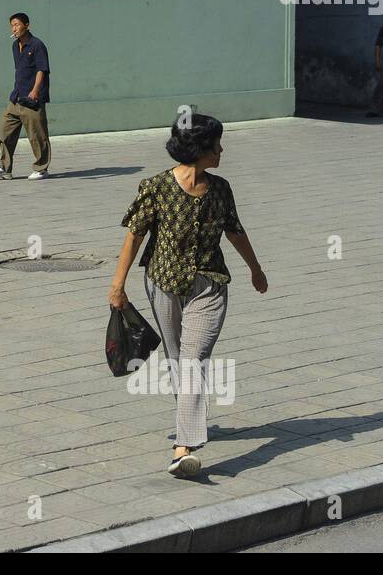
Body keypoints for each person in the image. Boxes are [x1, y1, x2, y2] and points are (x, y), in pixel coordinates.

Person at [107, 114, 267, 478]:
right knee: (178, 359)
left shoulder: (221, 189)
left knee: (193, 360)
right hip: (162, 282)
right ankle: (188, 423)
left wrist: (255, 269)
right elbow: (134, 236)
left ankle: (185, 447)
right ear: (198, 150)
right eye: (216, 145)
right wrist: (118, 286)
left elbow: (235, 231)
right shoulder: (156, 187)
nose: (222, 151)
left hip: (209, 286)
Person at [0, 12, 51, 180]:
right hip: (16, 97)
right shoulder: (15, 46)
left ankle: (41, 168)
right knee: (5, 132)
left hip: (32, 99)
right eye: (12, 25)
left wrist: (36, 90)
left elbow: (42, 69)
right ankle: (4, 168)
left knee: (37, 135)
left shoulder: (37, 45)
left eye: (17, 24)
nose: (14, 28)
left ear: (27, 25)